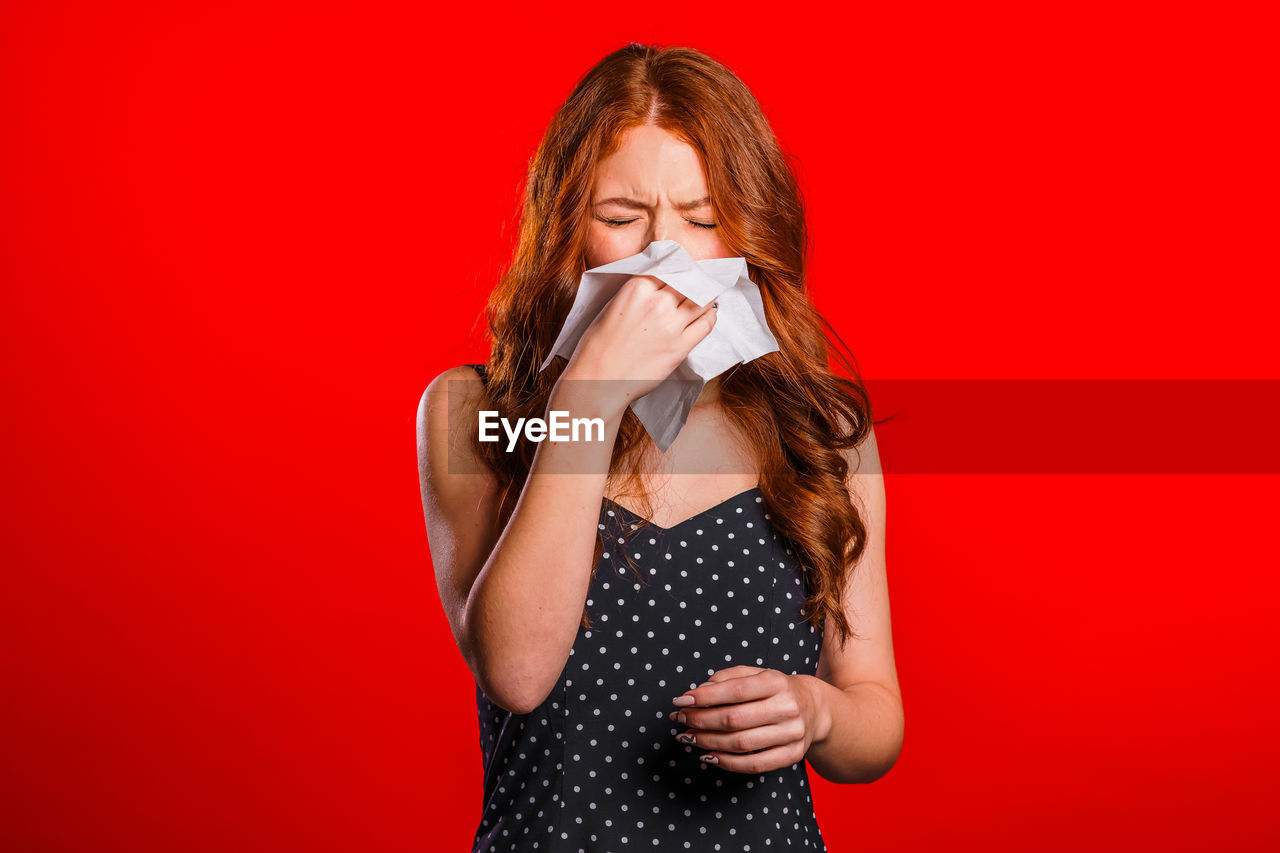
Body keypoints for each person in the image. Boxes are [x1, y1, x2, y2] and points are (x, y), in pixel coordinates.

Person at [417, 42, 903, 852]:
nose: (666, 256)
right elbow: (517, 671)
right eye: (620, 219)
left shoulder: (822, 431)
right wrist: (590, 393)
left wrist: (814, 710)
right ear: (569, 229)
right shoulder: (475, 414)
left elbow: (874, 714)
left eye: (704, 219)